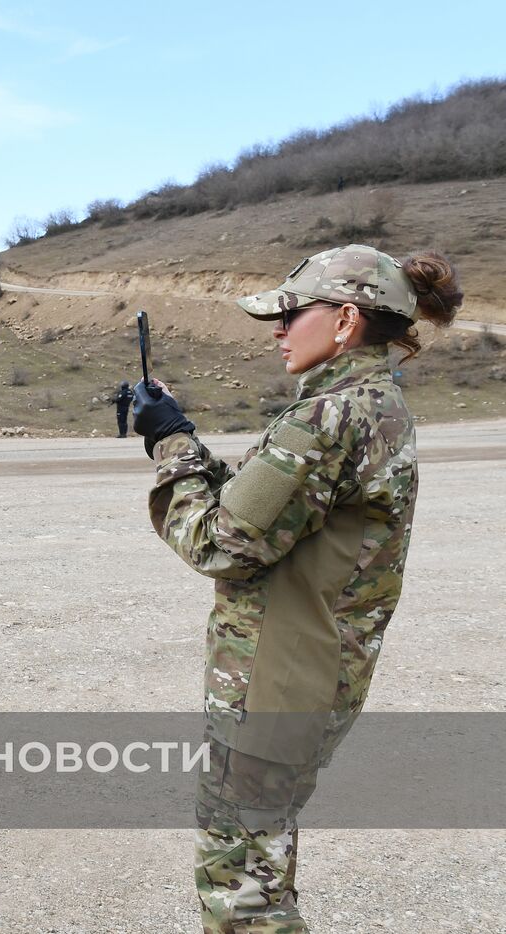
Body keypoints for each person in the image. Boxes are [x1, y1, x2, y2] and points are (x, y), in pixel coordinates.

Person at [130, 244, 462, 932]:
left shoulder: (327, 419)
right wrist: (182, 433)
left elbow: (217, 542)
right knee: (258, 856)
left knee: (243, 888)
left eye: (290, 314)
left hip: (279, 680)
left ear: (345, 321)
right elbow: (272, 515)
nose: (278, 330)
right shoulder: (371, 404)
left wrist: (172, 445)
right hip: (309, 670)